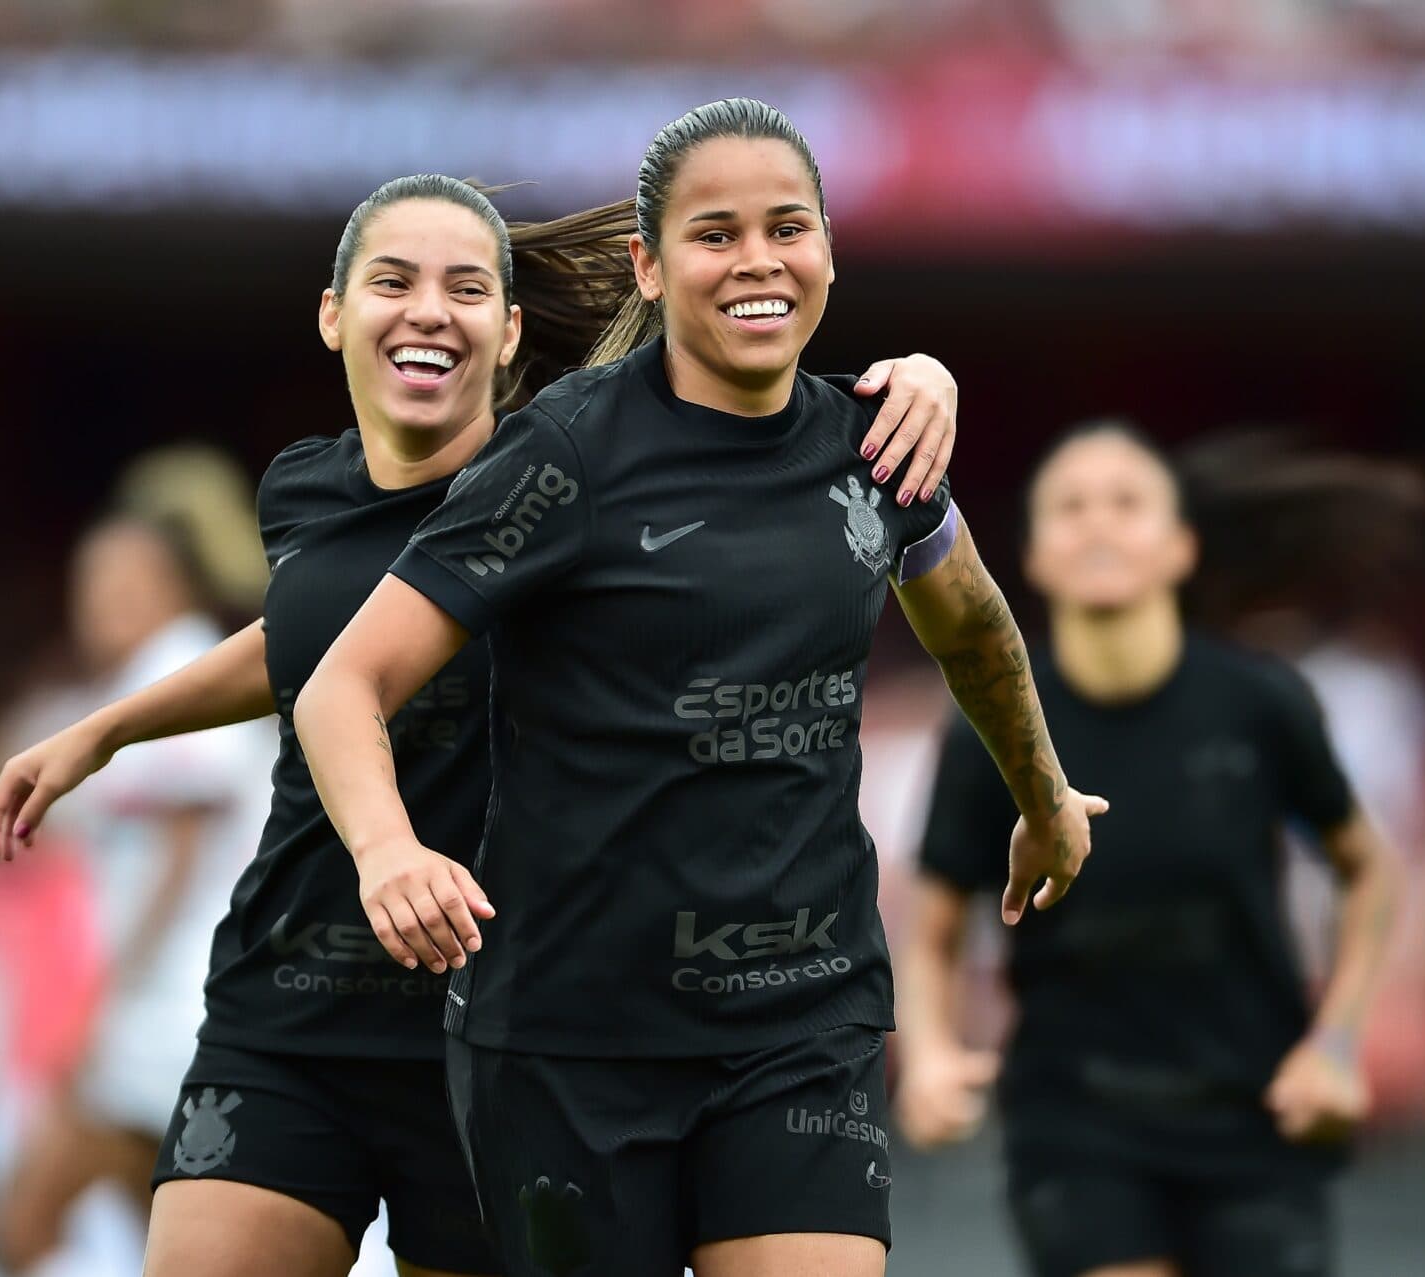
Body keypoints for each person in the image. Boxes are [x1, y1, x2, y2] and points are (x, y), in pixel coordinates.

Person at [0, 172, 967, 1277]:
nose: (426, 311)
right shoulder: (306, 490)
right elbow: (310, 647)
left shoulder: (568, 487)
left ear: (506, 333)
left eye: (463, 287)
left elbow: (744, 382)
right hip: (288, 1005)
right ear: (332, 312)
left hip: (491, 1034)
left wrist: (917, 380)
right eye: (392, 281)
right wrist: (109, 728)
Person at [294, 100, 1105, 1277]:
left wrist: (1042, 792)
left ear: (828, 246)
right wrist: (387, 851)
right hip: (568, 1042)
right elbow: (341, 684)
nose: (758, 261)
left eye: (789, 227)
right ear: (651, 263)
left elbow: (975, 628)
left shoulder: (878, 450)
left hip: (801, 1024)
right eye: (716, 233)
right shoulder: (567, 453)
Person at [897, 420, 1408, 1277]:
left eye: (1127, 503)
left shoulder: (1262, 704)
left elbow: (1372, 872)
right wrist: (931, 1049)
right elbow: (935, 913)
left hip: (1252, 1115)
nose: (1098, 523)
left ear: (1180, 548)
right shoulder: (993, 725)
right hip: (1076, 1122)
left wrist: (1337, 1044)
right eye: (1071, 506)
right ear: (1031, 556)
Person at [0, 514, 270, 1274]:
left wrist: (98, 1002)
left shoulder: (178, 672)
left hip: (166, 1012)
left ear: (174, 588)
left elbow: (176, 865)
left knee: (24, 1216)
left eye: (122, 581)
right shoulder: (156, 675)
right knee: (167, 1241)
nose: (98, 600)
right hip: (183, 1012)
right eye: (90, 582)